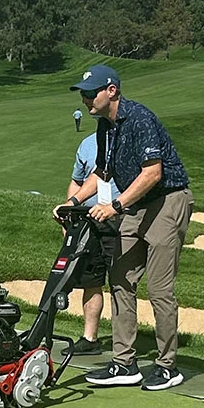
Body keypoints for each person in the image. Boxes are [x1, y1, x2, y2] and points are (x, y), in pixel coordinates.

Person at [55, 64, 192, 392]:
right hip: (136, 204)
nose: (86, 100)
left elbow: (152, 174)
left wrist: (115, 206)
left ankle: (166, 365)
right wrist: (74, 202)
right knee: (120, 279)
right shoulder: (104, 126)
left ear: (111, 91)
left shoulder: (140, 119)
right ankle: (124, 362)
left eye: (91, 94)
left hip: (167, 200)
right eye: (84, 95)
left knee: (159, 289)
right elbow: (102, 173)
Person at [61, 133, 120, 356]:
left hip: (118, 220)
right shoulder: (87, 144)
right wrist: (70, 214)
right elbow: (77, 181)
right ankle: (90, 337)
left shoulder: (124, 141)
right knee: (91, 281)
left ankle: (124, 343)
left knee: (121, 283)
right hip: (89, 222)